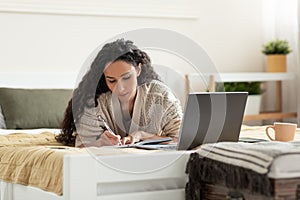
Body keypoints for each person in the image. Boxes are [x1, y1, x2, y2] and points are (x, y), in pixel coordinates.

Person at [55, 39, 183, 147]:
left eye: (126, 78)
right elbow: (81, 145)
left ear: (138, 69)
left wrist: (142, 136)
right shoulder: (94, 102)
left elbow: (181, 139)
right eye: (111, 80)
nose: (120, 88)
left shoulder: (160, 96)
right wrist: (99, 143)